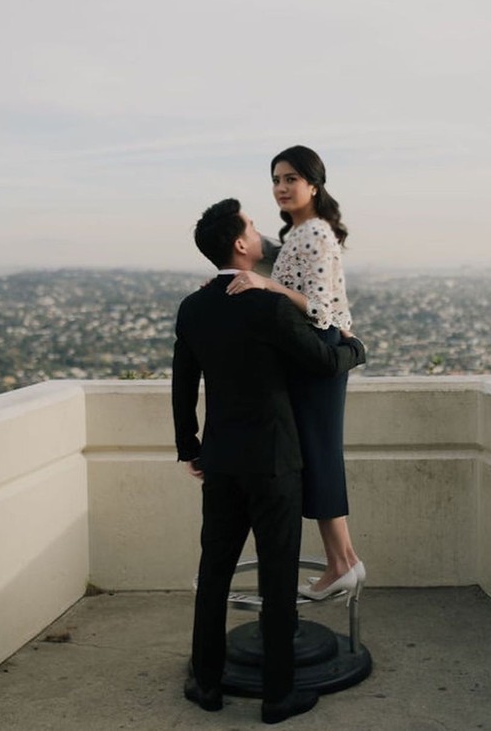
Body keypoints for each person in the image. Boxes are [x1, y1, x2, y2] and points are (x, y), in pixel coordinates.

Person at [172, 198, 365, 724]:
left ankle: (207, 683)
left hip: (222, 460)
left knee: (214, 571)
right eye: (253, 227)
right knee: (277, 578)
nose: (260, 232)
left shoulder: (193, 308)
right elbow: (324, 362)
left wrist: (190, 447)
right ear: (240, 244)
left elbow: (184, 385)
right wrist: (356, 346)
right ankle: (279, 696)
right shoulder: (269, 307)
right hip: (276, 462)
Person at [226, 145, 366, 600]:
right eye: (276, 179)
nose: (281, 188)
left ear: (313, 184)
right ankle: (343, 562)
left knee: (320, 455)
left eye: (291, 179)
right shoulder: (301, 234)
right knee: (317, 454)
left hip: (318, 352)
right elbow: (280, 263)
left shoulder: (316, 235)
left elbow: (321, 308)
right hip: (311, 353)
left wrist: (266, 283)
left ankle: (342, 563)